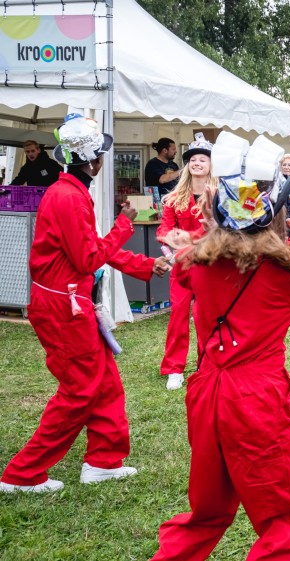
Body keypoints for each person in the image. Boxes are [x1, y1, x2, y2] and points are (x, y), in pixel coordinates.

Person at [150, 144, 290, 560]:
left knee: (206, 513)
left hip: (205, 392)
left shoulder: (197, 263)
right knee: (287, 518)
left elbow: (187, 265)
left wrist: (204, 233)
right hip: (255, 397)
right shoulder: (283, 274)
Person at [0, 114, 170, 494]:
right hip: (64, 308)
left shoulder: (70, 191)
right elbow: (89, 259)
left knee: (105, 380)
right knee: (79, 391)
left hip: (68, 301)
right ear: (93, 161)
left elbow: (89, 250)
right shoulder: (69, 197)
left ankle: (103, 461)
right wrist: (124, 226)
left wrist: (144, 265)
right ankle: (22, 474)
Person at [155, 134, 215, 391]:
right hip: (181, 265)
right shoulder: (174, 198)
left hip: (210, 266)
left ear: (211, 165)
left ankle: (207, 363)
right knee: (178, 315)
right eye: (193, 159)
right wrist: (171, 248)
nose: (197, 163)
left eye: (203, 159)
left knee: (207, 316)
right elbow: (164, 230)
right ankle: (174, 368)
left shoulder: (220, 196)